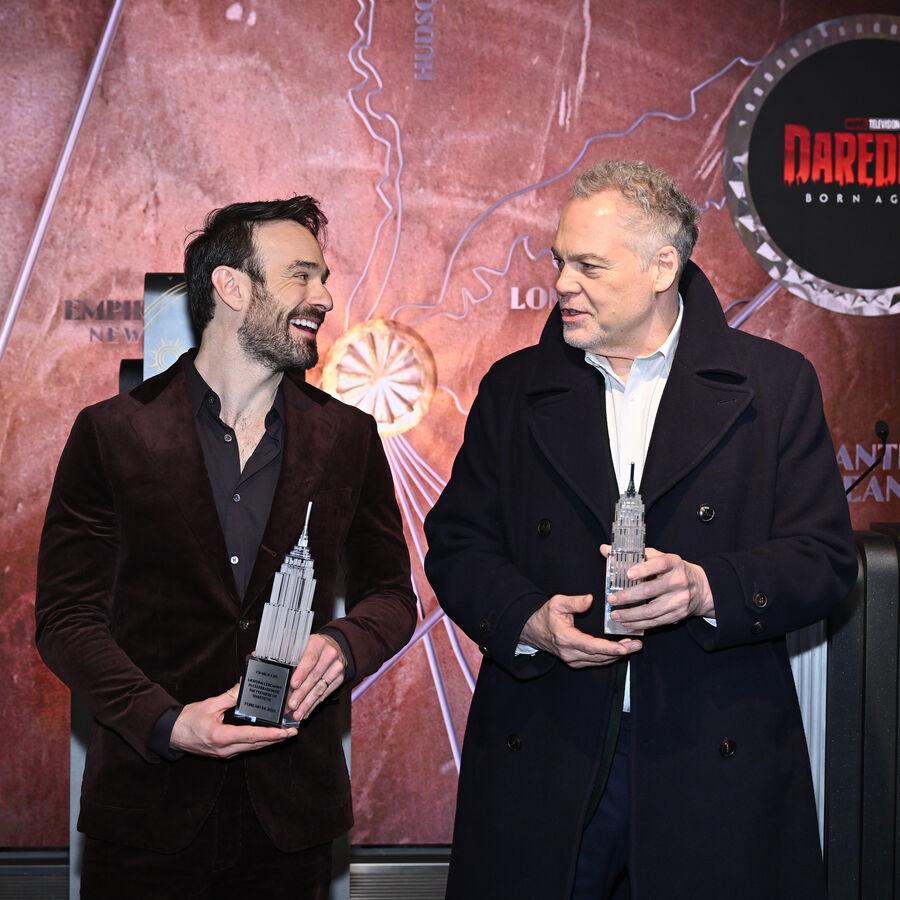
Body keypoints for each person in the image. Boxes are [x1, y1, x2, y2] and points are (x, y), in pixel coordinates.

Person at [423, 160, 857, 899]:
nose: (562, 283)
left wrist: (705, 587)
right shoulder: (513, 389)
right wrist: (529, 619)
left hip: (712, 751)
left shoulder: (775, 386)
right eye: (560, 261)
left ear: (664, 266)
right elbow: (458, 544)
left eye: (588, 265)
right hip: (547, 742)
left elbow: (823, 561)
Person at [35, 196, 417, 899]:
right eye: (301, 276)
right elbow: (65, 621)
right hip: (146, 818)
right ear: (232, 287)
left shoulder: (349, 438)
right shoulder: (112, 433)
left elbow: (392, 596)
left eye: (324, 278)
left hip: (291, 822)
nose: (326, 297)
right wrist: (167, 723)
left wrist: (341, 646)